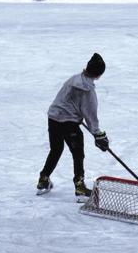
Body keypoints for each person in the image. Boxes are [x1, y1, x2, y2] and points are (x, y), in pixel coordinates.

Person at [39, 52, 107, 202]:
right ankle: (80, 187)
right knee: (78, 154)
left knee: (56, 149)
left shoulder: (74, 79)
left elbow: (63, 99)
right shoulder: (88, 90)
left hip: (53, 118)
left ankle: (43, 179)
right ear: (99, 74)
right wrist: (98, 134)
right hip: (68, 123)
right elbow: (90, 114)